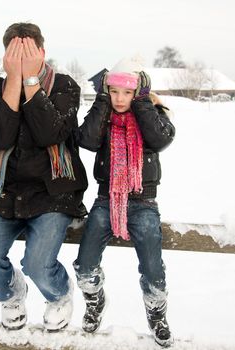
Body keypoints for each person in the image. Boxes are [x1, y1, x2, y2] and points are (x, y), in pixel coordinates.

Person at [0, 22, 88, 332]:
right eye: (15, 54)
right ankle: (12, 294)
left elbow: (51, 133)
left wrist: (31, 80)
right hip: (4, 191)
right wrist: (13, 81)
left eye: (29, 54)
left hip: (53, 192)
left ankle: (59, 294)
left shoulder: (64, 86)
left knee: (37, 264)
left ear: (42, 53)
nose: (22, 60)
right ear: (5, 56)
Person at [73, 58, 175, 347]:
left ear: (138, 92)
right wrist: (102, 102)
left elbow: (160, 140)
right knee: (85, 264)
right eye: (113, 91)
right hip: (107, 199)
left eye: (127, 92)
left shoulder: (153, 114)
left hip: (143, 202)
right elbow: (87, 140)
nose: (120, 99)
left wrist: (143, 103)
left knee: (153, 267)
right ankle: (94, 300)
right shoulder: (103, 116)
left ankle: (157, 314)